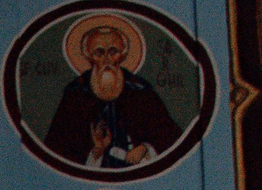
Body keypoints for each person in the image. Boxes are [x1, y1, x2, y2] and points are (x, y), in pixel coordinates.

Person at [41, 17, 184, 170]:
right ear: (88, 56)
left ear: (122, 55)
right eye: (99, 52)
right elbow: (57, 151)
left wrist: (145, 148)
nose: (107, 59)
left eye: (113, 51)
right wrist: (96, 152)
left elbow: (169, 137)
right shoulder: (76, 94)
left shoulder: (140, 90)